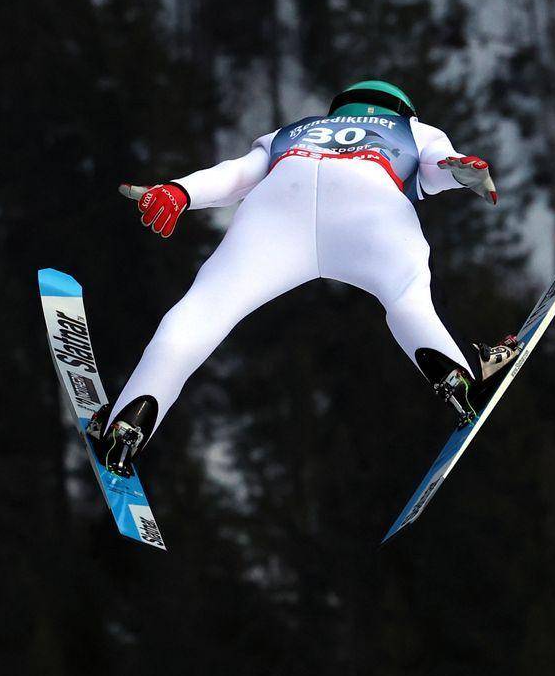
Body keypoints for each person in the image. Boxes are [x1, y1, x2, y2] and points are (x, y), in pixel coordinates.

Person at [90, 80, 516, 477]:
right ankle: (458, 372)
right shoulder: (412, 128)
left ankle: (130, 421)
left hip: (278, 208)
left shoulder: (296, 129)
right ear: (404, 109)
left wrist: (178, 191)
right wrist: (461, 169)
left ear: (338, 108)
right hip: (369, 206)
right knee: (407, 298)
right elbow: (438, 169)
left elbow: (236, 176)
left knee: (202, 312)